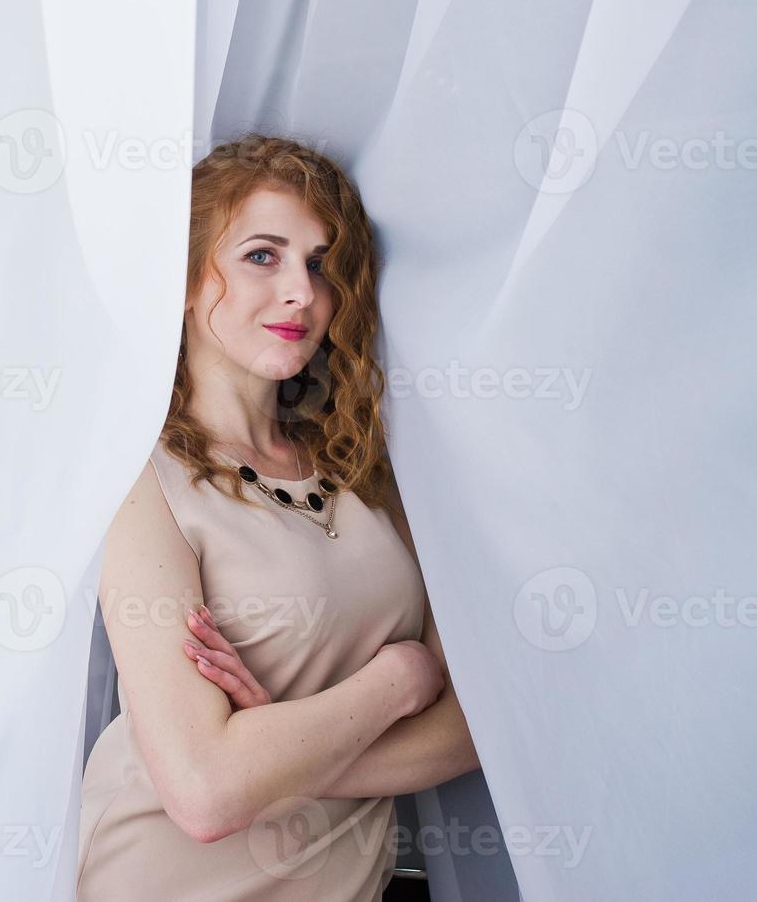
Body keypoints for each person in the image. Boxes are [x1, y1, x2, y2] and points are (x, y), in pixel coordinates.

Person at [76, 134, 480, 900]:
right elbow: (200, 794)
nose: (301, 291)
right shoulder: (140, 484)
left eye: (320, 264)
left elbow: (469, 729)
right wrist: (400, 678)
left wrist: (268, 745)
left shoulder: (367, 469)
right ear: (187, 279)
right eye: (262, 256)